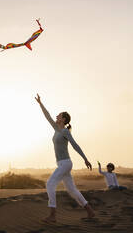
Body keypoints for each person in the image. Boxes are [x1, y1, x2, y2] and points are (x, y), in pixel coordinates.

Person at [35, 93, 95, 223]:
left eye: (59, 115)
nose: (56, 116)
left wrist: (85, 159)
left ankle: (53, 215)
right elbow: (48, 116)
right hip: (62, 164)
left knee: (50, 183)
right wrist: (40, 104)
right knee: (72, 190)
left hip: (65, 163)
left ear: (63, 119)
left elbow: (75, 145)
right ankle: (90, 211)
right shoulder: (56, 129)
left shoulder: (65, 132)